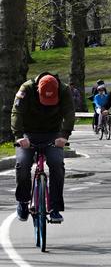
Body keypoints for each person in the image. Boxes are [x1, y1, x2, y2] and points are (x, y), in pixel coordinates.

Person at [12, 73, 75, 223]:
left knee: (57, 164)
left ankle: (55, 208)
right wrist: (19, 136)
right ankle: (23, 201)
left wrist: (64, 136)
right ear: (38, 89)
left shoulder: (64, 90)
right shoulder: (26, 89)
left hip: (53, 134)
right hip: (28, 134)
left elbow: (69, 113)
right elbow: (16, 113)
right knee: (22, 164)